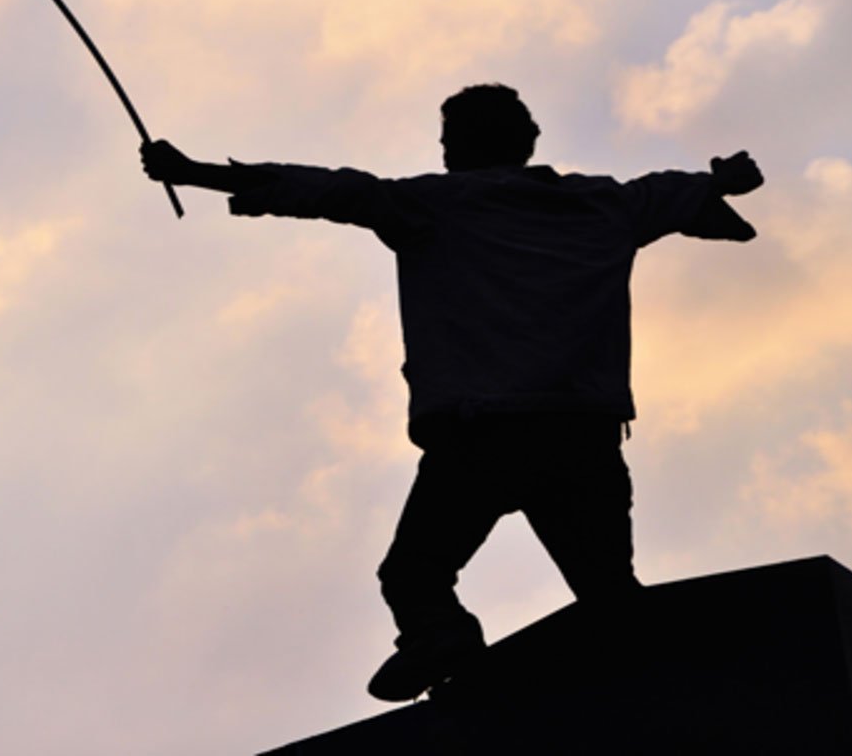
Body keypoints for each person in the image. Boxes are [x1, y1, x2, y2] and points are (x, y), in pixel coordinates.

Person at [139, 83, 763, 701]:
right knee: (608, 593)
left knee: (415, 576)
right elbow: (698, 194)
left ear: (458, 146)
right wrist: (723, 182)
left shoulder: (432, 205)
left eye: (446, 139)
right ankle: (713, 695)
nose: (441, 152)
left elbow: (328, 188)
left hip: (481, 436)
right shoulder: (607, 204)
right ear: (529, 142)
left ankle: (444, 641)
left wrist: (192, 172)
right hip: (580, 433)